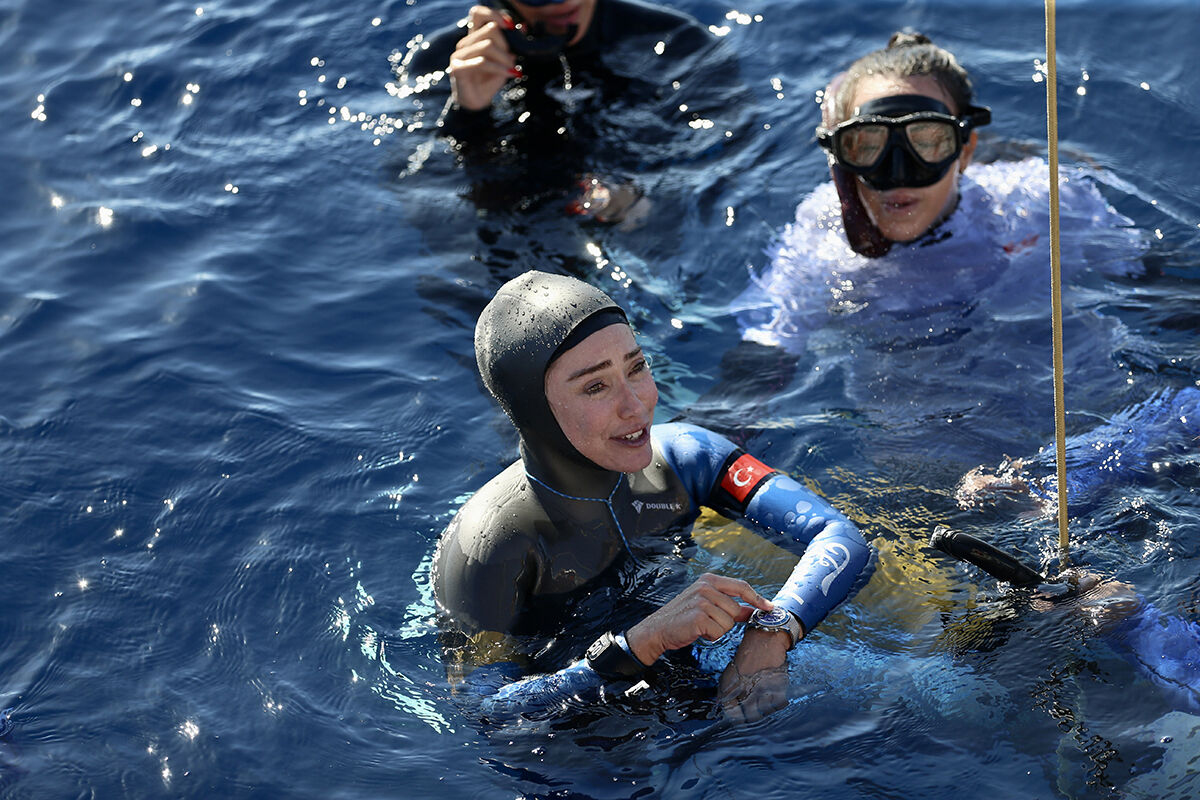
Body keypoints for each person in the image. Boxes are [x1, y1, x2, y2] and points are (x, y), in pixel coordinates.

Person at [433, 270, 873, 724]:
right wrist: (641, 643)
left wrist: (774, 631)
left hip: (706, 671)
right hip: (590, 742)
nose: (637, 405)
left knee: (921, 690)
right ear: (535, 412)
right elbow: (485, 712)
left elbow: (839, 536)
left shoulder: (685, 456)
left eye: (637, 367)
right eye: (595, 386)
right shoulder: (488, 544)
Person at [392, 0, 742, 220]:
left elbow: (732, 157)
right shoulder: (443, 65)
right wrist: (468, 113)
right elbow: (426, 197)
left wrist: (651, 194)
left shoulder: (676, 43)